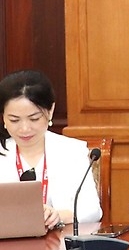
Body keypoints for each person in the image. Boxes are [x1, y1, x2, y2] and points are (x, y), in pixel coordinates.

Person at [0, 69, 102, 228]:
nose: (24, 128)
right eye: (14, 120)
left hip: (59, 240)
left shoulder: (72, 151)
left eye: (34, 119)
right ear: (3, 117)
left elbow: (92, 211)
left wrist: (58, 215)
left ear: (50, 111)